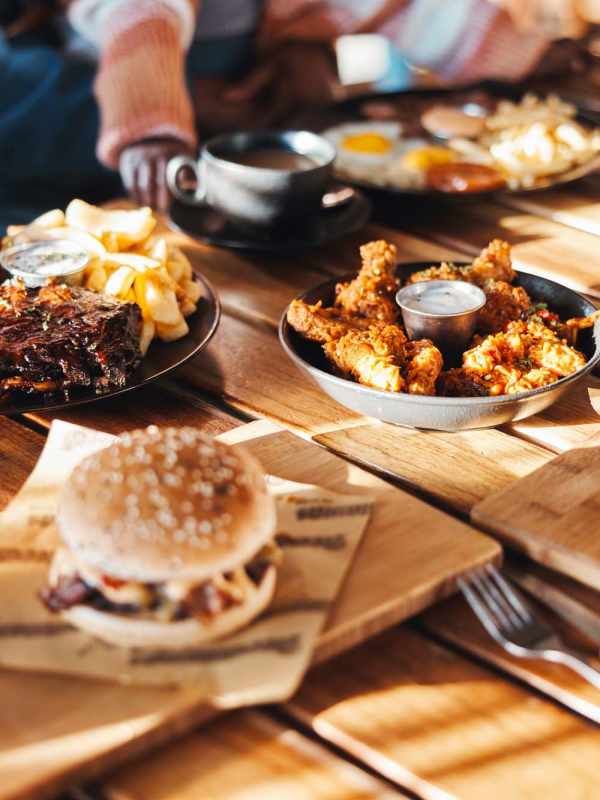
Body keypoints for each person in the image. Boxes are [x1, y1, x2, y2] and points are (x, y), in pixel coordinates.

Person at [1, 0, 598, 232]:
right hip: (46, 104)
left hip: (168, 147)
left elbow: (414, 13)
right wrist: (154, 122)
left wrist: (534, 54)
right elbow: (141, 19)